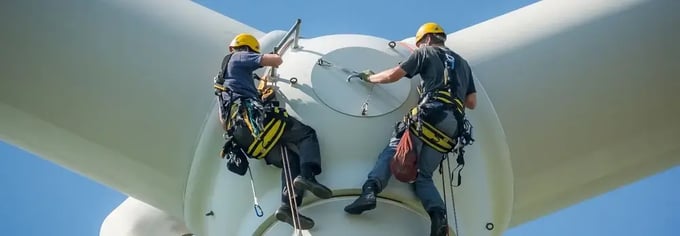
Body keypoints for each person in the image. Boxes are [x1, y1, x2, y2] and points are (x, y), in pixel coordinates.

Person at [343, 22, 477, 236]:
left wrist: (370, 78)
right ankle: (439, 217)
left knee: (394, 148)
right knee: (423, 176)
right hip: (453, 126)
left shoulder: (425, 53)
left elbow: (394, 75)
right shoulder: (463, 64)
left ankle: (370, 192)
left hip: (430, 113)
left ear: (426, 39)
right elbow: (471, 102)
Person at [214, 33, 333, 230]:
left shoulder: (222, 79)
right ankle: (308, 176)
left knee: (290, 158)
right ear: (247, 48)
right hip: (254, 121)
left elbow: (222, 119)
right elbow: (275, 60)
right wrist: (273, 56)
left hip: (242, 135)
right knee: (305, 134)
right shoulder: (240, 57)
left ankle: (288, 207)